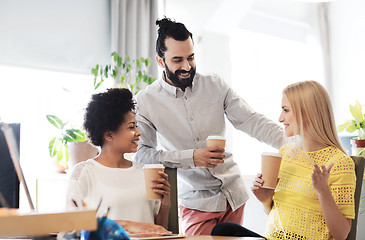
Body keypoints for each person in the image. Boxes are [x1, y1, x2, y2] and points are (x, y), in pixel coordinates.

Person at [134, 17, 284, 235]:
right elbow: (142, 155)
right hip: (195, 202)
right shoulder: (146, 101)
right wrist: (191, 157)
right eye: (177, 60)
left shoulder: (215, 85)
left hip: (234, 195)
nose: (186, 66)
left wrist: (293, 143)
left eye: (191, 57)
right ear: (160, 61)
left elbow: (251, 121)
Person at [252, 80, 356, 239]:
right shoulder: (286, 153)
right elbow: (281, 217)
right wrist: (266, 199)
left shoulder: (340, 163)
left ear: (306, 113)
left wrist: (323, 191)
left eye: (286, 110)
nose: (280, 118)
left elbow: (341, 234)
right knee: (224, 230)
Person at [65, 88, 171, 235]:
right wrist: (129, 226)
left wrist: (165, 204)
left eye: (137, 126)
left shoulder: (145, 172)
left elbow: (159, 230)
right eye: (131, 127)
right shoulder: (85, 172)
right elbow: (73, 227)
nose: (138, 133)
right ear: (109, 134)